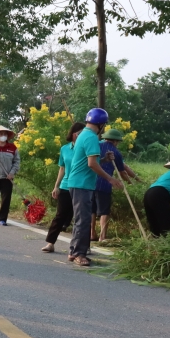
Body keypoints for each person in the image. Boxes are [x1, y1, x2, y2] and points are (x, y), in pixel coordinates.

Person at [65, 108, 124, 267]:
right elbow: (91, 164)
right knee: (83, 220)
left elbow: (90, 161)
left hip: (79, 182)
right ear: (102, 124)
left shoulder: (84, 134)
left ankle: (74, 251)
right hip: (81, 183)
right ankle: (79, 254)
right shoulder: (91, 137)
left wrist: (104, 159)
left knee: (81, 219)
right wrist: (110, 179)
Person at [42, 122, 85, 253]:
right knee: (60, 215)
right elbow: (62, 168)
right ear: (73, 135)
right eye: (80, 133)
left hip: (80, 186)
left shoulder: (85, 148)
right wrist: (56, 186)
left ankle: (81, 247)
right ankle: (50, 242)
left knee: (80, 217)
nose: (82, 136)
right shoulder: (64, 149)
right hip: (66, 185)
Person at [91, 128, 140, 241]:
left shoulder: (97, 145)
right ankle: (102, 237)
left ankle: (92, 234)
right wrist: (130, 183)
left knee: (92, 210)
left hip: (91, 181)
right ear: (116, 141)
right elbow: (122, 171)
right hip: (105, 183)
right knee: (104, 211)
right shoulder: (116, 153)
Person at [142, 156, 170, 237]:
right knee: (168, 228)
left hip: (149, 193)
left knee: (155, 226)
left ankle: (155, 245)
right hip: (160, 195)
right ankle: (169, 246)